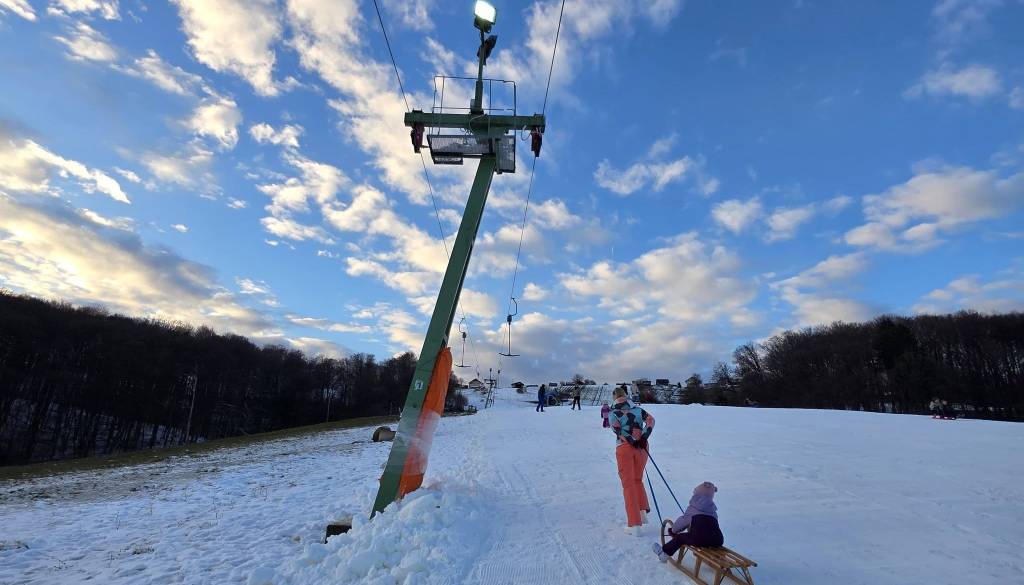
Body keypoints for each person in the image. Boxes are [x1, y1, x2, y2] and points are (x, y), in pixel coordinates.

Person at [608, 386, 654, 535]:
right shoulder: (638, 409)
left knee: (628, 484)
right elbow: (651, 420)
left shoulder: (613, 412)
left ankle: (634, 525)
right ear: (626, 396)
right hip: (642, 447)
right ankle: (642, 515)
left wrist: (632, 440)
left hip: (625, 447)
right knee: (637, 479)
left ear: (614, 397)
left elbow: (617, 430)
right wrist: (643, 437)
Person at [653, 482, 724, 562]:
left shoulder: (694, 506)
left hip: (698, 538)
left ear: (697, 494)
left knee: (680, 538)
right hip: (718, 539)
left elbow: (683, 522)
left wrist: (673, 530)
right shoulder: (712, 509)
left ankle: (664, 554)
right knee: (704, 536)